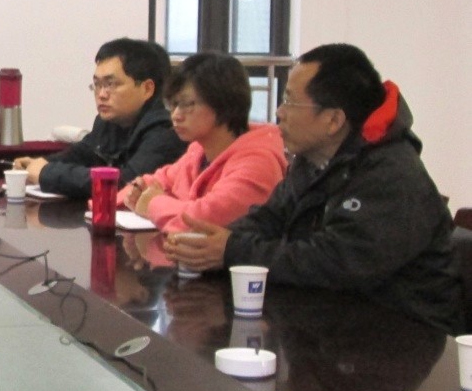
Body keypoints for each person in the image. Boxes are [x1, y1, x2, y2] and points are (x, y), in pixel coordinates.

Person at [165, 44, 462, 333]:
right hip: (329, 322)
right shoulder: (313, 160)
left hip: (402, 336)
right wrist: (209, 245)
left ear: (333, 120)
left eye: (290, 101)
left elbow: (336, 262)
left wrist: (232, 250)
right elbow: (269, 219)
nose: (279, 112)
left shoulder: (392, 175)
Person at [117, 52, 286, 233]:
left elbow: (202, 219)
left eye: (187, 104)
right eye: (173, 104)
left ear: (224, 103)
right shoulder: (198, 150)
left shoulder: (258, 163)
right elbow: (156, 181)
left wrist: (152, 203)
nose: (176, 115)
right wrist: (133, 194)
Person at [14, 38, 185, 197]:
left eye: (111, 84)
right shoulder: (109, 122)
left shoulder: (166, 131)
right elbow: (82, 153)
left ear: (147, 89)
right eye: (97, 84)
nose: (102, 94)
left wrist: (46, 173)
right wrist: (40, 163)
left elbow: (125, 183)